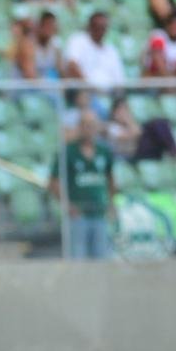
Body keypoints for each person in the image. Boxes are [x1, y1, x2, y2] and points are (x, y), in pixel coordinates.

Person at [49, 111, 116, 260]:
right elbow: (53, 182)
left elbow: (111, 178)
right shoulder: (68, 152)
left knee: (102, 259)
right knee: (78, 260)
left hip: (99, 213)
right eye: (85, 125)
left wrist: (111, 203)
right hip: (78, 215)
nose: (89, 129)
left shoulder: (104, 151)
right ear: (79, 127)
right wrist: (67, 204)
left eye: (92, 125)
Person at [63, 11, 124, 97]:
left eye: (103, 27)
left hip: (109, 95)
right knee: (84, 97)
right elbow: (72, 66)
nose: (100, 30)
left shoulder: (111, 50)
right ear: (90, 26)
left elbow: (119, 81)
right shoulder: (77, 40)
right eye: (96, 26)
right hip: (84, 93)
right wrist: (91, 88)